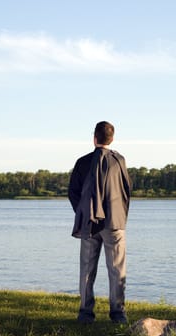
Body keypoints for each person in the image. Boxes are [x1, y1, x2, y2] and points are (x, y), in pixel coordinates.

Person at [68, 121, 130, 324]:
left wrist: (84, 212)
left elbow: (73, 192)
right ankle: (118, 314)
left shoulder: (82, 162)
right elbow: (126, 190)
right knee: (117, 269)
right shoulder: (119, 160)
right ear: (112, 139)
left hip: (89, 223)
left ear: (94, 138)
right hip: (115, 222)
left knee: (87, 269)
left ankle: (85, 314)